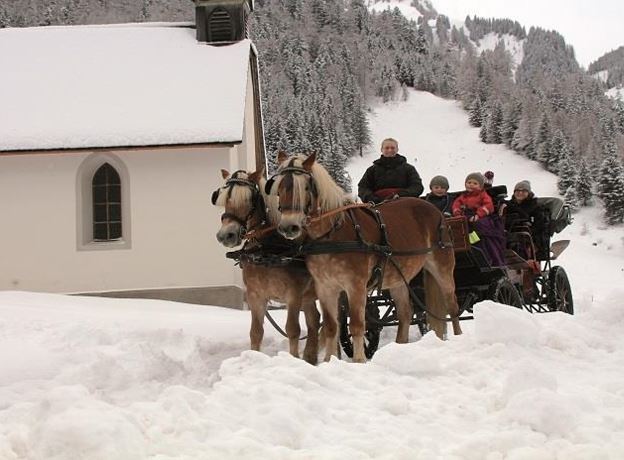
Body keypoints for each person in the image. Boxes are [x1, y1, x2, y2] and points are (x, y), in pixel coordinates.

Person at [452, 172, 506, 266]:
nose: (471, 185)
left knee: (480, 227)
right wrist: (457, 213)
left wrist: (478, 214)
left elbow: (489, 206)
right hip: (465, 217)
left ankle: (486, 253)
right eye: (469, 182)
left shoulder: (483, 195)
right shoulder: (462, 196)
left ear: (480, 186)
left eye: (475, 183)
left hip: (481, 217)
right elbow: (456, 205)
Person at [358, 138, 424, 203]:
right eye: (387, 148)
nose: (390, 150)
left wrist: (401, 195)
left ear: (397, 149)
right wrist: (372, 198)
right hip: (377, 206)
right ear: (381, 149)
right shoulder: (372, 170)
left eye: (392, 148)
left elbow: (417, 186)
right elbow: (363, 187)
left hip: (404, 205)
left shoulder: (409, 169)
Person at [503, 180, 548, 259]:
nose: (520, 193)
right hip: (510, 233)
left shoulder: (535, 206)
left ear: (528, 193)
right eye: (518, 190)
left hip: (528, 236)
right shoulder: (508, 205)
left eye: (524, 191)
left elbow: (539, 225)